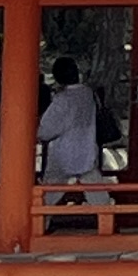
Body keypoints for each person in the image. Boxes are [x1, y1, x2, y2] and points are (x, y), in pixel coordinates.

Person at [38, 64, 106, 224]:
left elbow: (48, 129)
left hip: (63, 150)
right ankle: (107, 220)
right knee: (96, 190)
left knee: (51, 190)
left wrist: (38, 134)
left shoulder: (62, 99)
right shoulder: (88, 93)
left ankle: (40, 223)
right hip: (87, 146)